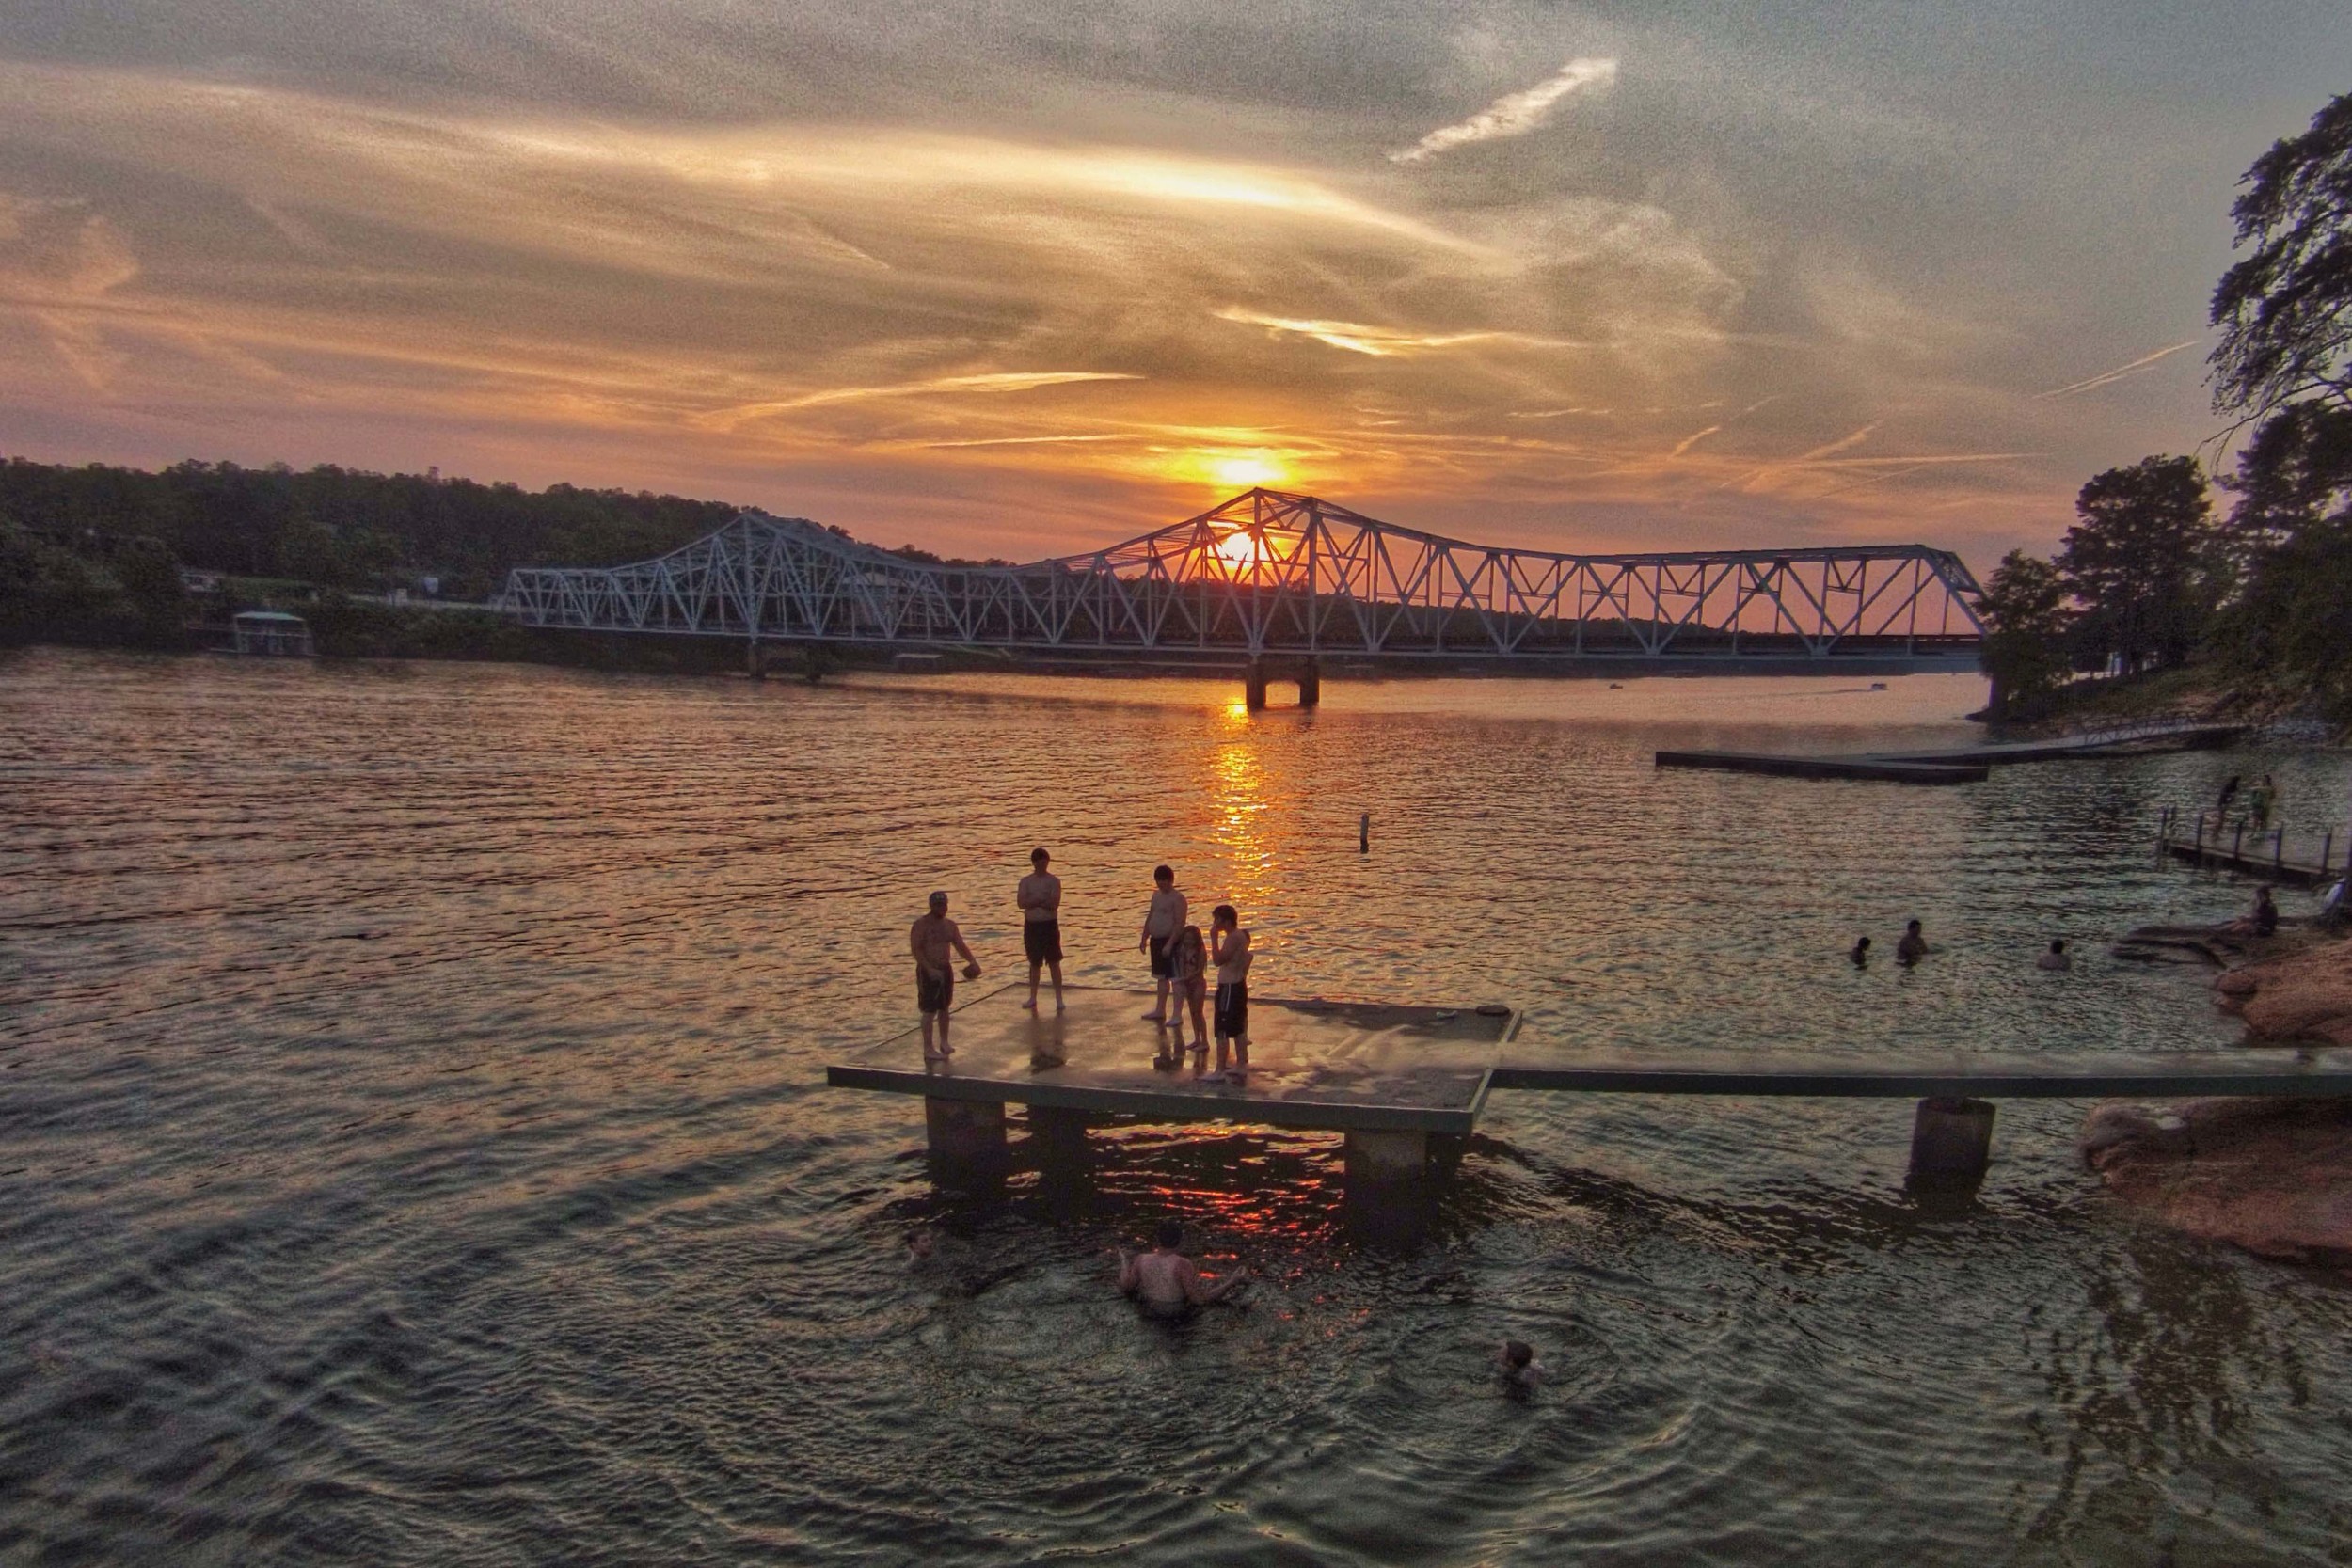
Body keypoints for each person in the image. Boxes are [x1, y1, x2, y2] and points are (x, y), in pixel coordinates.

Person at [1113, 1220, 1248, 1314]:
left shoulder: (1141, 1259)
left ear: (1157, 1239)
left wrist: (1124, 1261)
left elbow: (1126, 1287)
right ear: (1180, 1241)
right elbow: (1199, 1300)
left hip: (1149, 1310)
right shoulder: (1182, 1264)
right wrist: (1232, 1281)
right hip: (1175, 1315)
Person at [910, 891, 980, 1062]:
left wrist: (972, 961)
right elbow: (916, 950)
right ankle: (928, 1048)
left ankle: (944, 1042)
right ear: (931, 906)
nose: (941, 908)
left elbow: (959, 945)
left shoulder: (950, 925)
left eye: (944, 905)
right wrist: (929, 969)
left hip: (945, 968)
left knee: (945, 1007)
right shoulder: (921, 925)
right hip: (928, 969)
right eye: (938, 905)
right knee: (929, 1010)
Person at [1017, 847, 1065, 1013]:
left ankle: (1059, 998)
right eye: (1038, 861)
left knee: (1054, 962)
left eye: (1044, 860)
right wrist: (1039, 900)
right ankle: (1033, 997)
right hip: (1032, 926)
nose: (1042, 864)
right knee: (1034, 963)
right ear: (1034, 862)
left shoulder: (1053, 881)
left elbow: (1054, 903)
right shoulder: (1026, 881)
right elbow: (1021, 902)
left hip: (1049, 925)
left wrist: (1036, 901)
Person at [1137, 864, 1188, 1022]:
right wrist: (1144, 937)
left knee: (1176, 978)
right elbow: (1151, 915)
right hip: (1156, 940)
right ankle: (1160, 1009)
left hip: (1171, 941)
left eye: (1164, 881)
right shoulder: (1156, 896)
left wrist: (1170, 943)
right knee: (1161, 977)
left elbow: (1180, 923)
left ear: (1171, 880)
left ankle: (1177, 1014)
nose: (1161, 884)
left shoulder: (1178, 898)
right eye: (1159, 881)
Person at [1210, 904, 1252, 1081]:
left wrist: (1213, 938)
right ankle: (1241, 1064)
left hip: (1230, 986)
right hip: (1237, 984)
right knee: (1238, 1027)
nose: (1214, 924)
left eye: (1216, 920)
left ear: (1225, 921)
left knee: (1223, 1028)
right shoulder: (1240, 935)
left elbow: (1218, 960)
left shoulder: (1233, 937)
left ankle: (1219, 1069)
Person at [1161, 923, 1210, 1069]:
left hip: (1198, 983)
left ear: (1197, 939)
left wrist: (1184, 979)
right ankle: (1196, 1038)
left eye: (1191, 939)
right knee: (1192, 1012)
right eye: (1186, 938)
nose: (1188, 941)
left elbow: (1199, 971)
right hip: (1187, 982)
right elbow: (1181, 968)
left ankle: (1205, 1041)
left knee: (1199, 1012)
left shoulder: (1201, 951)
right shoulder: (1182, 950)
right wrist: (1181, 980)